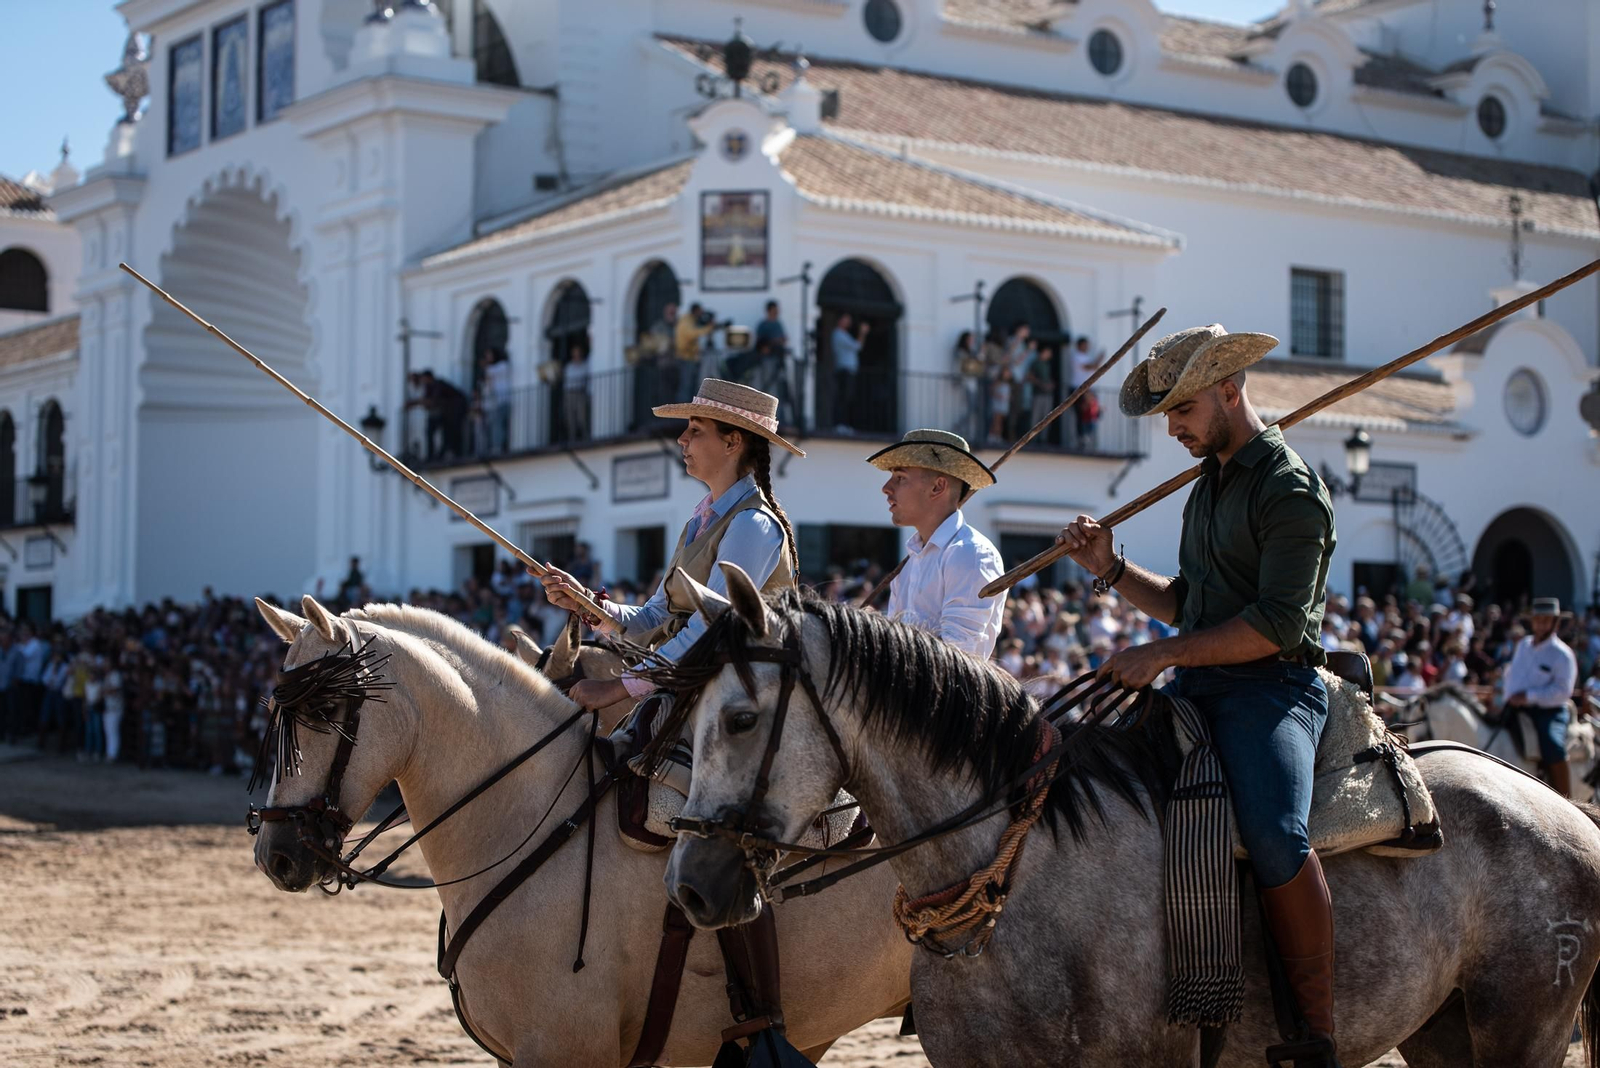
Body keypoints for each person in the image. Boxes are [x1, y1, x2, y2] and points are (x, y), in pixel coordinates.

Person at [1055, 323, 1342, 1063]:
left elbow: (1276, 625)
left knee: (1277, 832)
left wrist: (1162, 655)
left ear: (1229, 389)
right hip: (1198, 683)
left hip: (1271, 690)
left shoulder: (1292, 490)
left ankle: (1316, 1033)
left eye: (1181, 410)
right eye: (1167, 415)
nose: (1173, 428)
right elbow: (1191, 603)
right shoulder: (1206, 486)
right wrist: (1111, 568)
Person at [539, 378, 802, 709]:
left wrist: (618, 688)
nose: (682, 439)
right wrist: (588, 604)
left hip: (743, 712)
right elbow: (655, 617)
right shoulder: (702, 520)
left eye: (695, 430)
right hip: (695, 693)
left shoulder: (752, 524)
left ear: (732, 442)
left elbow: (712, 627)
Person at [867, 429, 1006, 659]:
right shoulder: (911, 560)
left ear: (937, 487)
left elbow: (957, 659)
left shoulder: (970, 553)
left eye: (900, 478)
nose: (886, 488)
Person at [1502, 597, 1579, 797]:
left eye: (1546, 619)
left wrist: (1528, 696)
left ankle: (1567, 799)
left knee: (1553, 744)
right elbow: (1513, 675)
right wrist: (1509, 696)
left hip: (1550, 711)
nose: (1541, 624)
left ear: (1556, 623)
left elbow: (1563, 691)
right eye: (1538, 619)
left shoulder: (1562, 654)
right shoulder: (1524, 645)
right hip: (1516, 707)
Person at [829, 312, 867, 433]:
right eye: (846, 319)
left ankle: (845, 424)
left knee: (848, 398)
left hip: (848, 371)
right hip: (844, 371)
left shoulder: (844, 334)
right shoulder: (838, 334)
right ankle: (840, 424)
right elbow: (857, 346)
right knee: (843, 398)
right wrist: (862, 333)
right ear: (840, 320)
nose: (848, 322)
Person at [1069, 336, 1104, 450]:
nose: (1087, 347)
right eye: (1085, 345)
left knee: (1093, 413)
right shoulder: (1077, 357)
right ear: (1079, 345)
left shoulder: (1086, 357)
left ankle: (1088, 437)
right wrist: (1099, 358)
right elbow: (1091, 366)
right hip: (1079, 389)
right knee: (1081, 414)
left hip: (1088, 390)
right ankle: (1081, 438)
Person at [563, 340, 592, 443]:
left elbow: (585, 378)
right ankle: (572, 439)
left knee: (582, 417)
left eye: (578, 352)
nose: (576, 355)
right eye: (575, 352)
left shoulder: (585, 365)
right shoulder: (569, 367)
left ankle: (585, 437)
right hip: (569, 394)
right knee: (570, 418)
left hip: (580, 393)